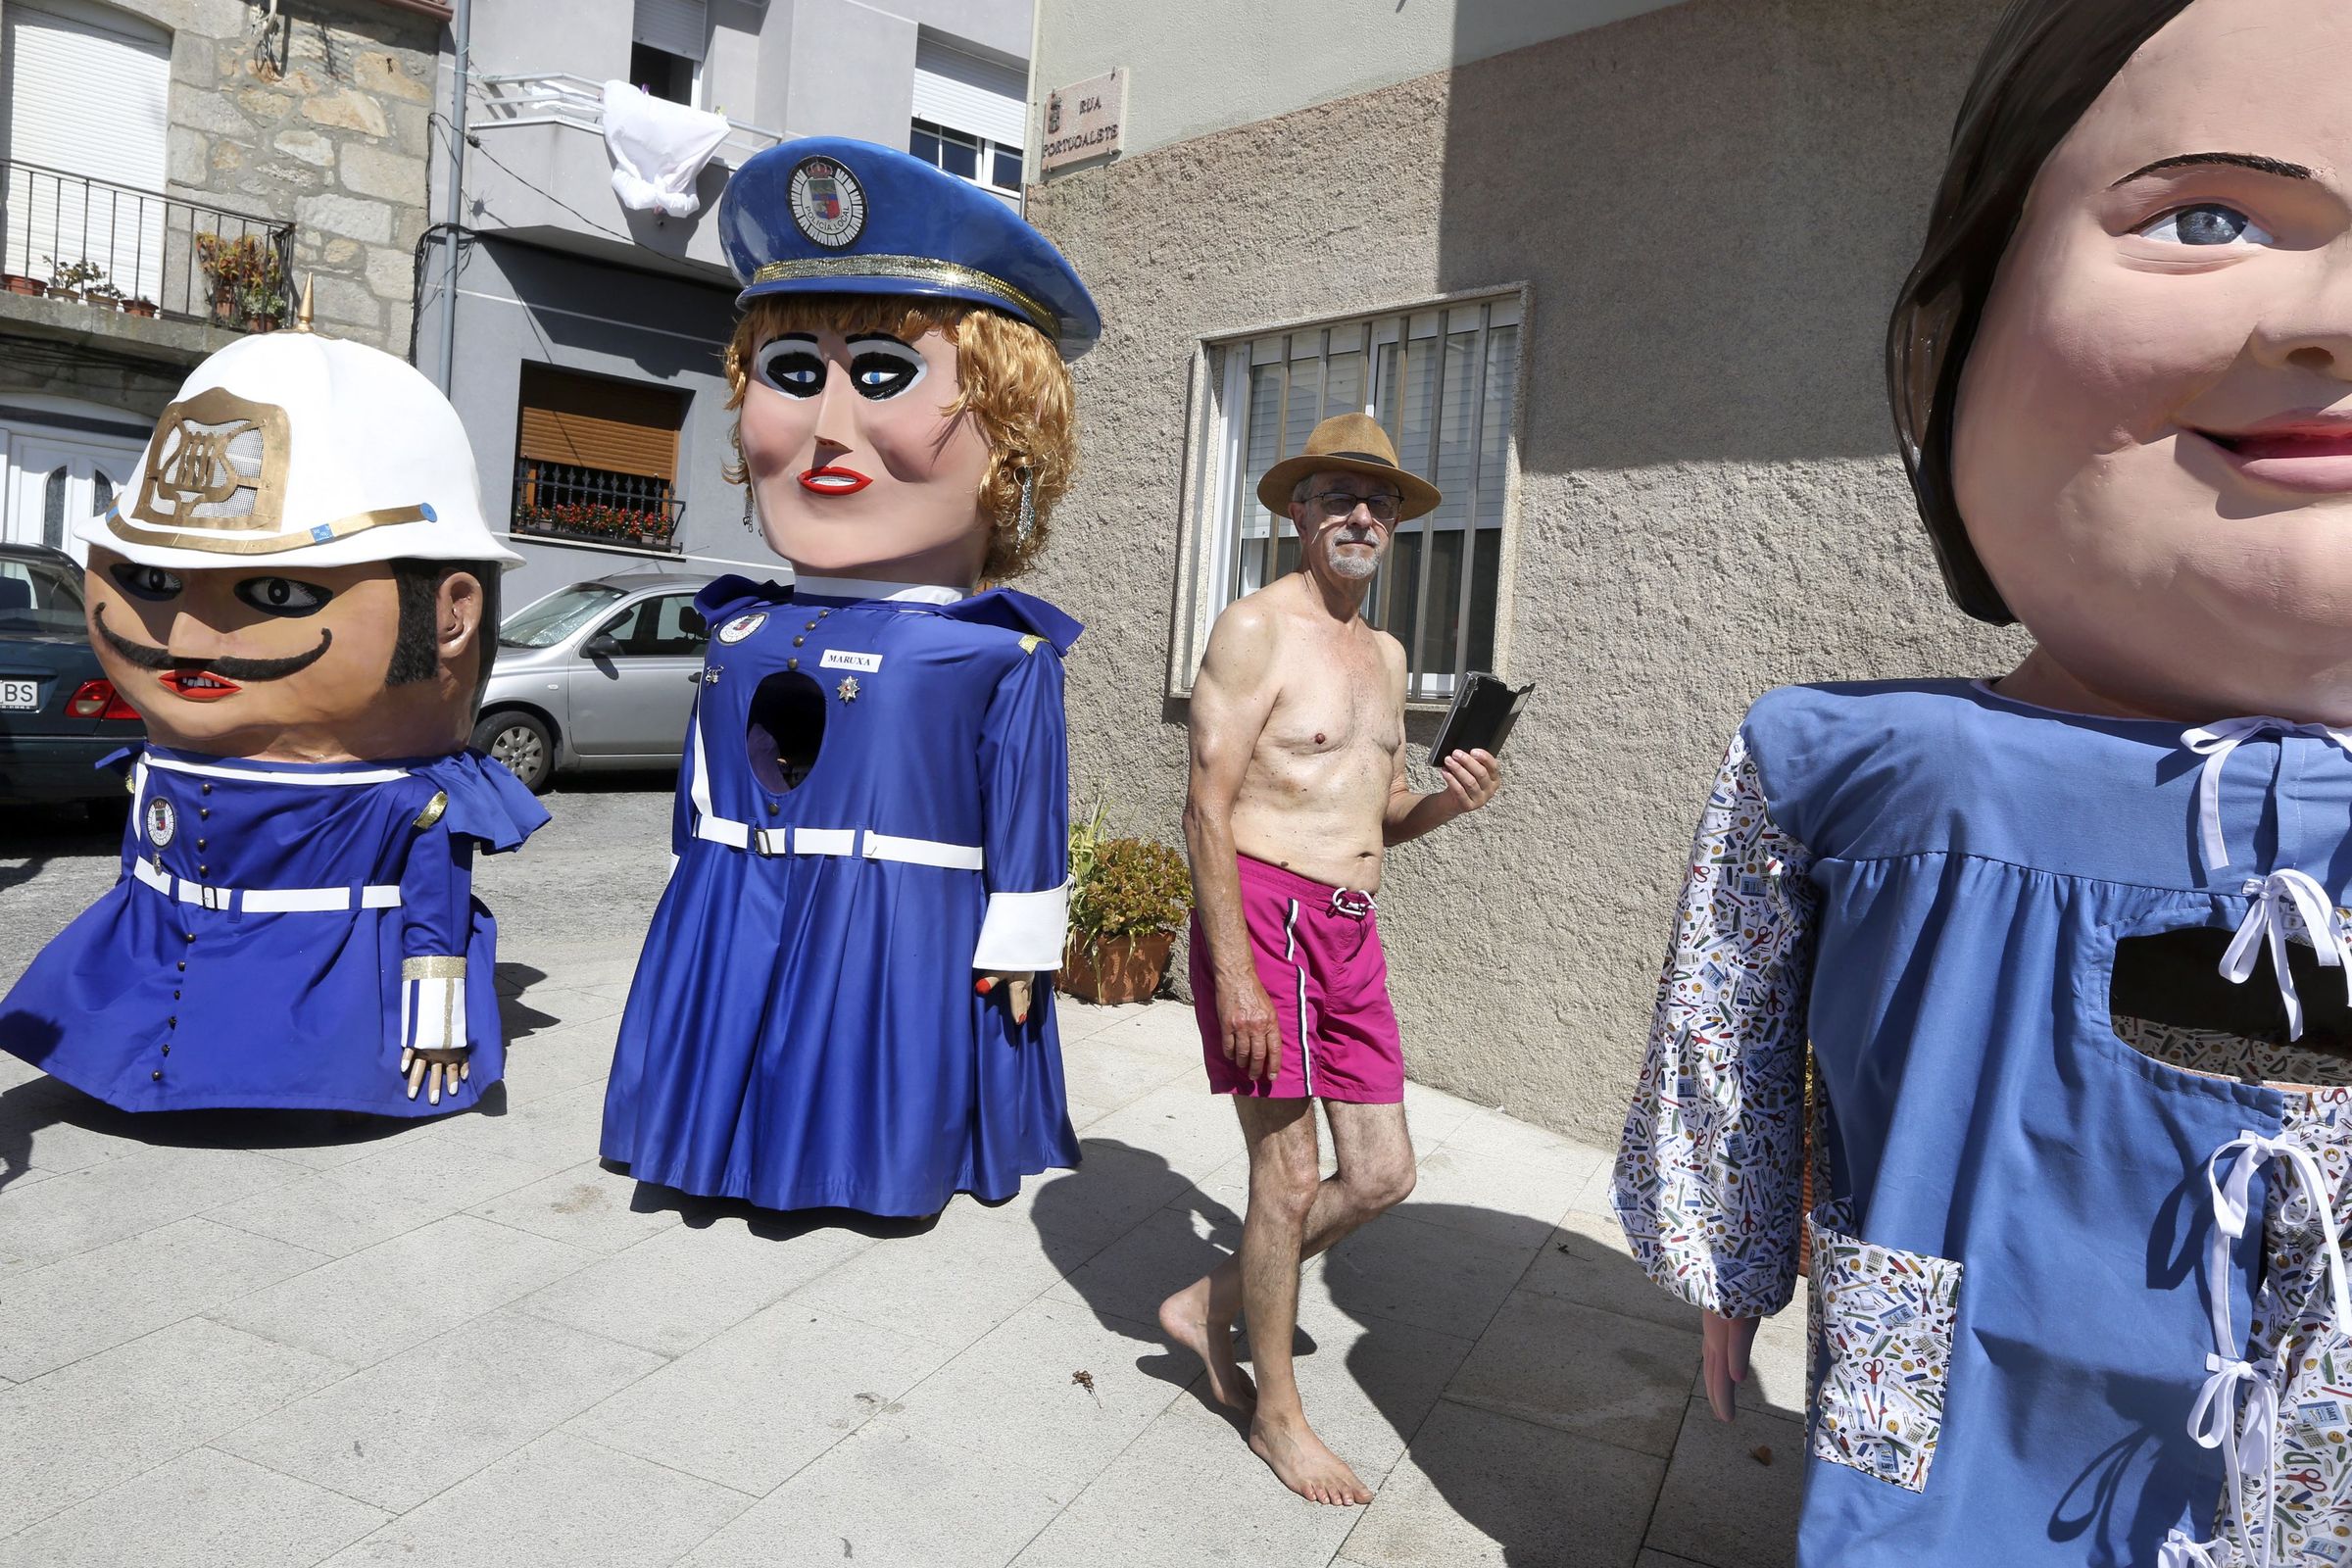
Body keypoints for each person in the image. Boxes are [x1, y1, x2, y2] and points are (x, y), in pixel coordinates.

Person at [1613, 1, 2352, 1561]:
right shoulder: (1847, 767)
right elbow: (1727, 1030)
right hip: (1952, 1400)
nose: (2331, 319)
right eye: (2207, 219)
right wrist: (1736, 1267)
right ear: (1962, 328)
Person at [599, 137, 1098, 1216]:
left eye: (882, 374)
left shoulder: (998, 651)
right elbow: (700, 808)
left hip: (897, 930)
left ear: (1012, 437)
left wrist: (1022, 943)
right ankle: (708, 1136)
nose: (828, 430)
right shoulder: (735, 630)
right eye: (792, 374)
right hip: (738, 910)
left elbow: (1026, 819)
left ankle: (868, 1160)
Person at [0, 327, 544, 1114]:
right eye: (151, 579)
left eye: (278, 595)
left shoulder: (405, 801)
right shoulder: (156, 769)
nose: (184, 641)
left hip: (332, 1013)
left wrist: (436, 1026)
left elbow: (436, 916)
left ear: (453, 614)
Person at [1160, 412, 1502, 1506]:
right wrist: (1236, 973)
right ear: (1297, 510)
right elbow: (1205, 808)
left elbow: (1378, 816)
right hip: (1261, 913)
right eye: (1340, 495)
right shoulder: (1256, 629)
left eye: (1383, 500)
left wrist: (1447, 799)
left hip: (1352, 923)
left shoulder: (1388, 656)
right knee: (1289, 1174)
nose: (1363, 514)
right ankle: (1276, 1413)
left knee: (1385, 1173)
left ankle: (1207, 1298)